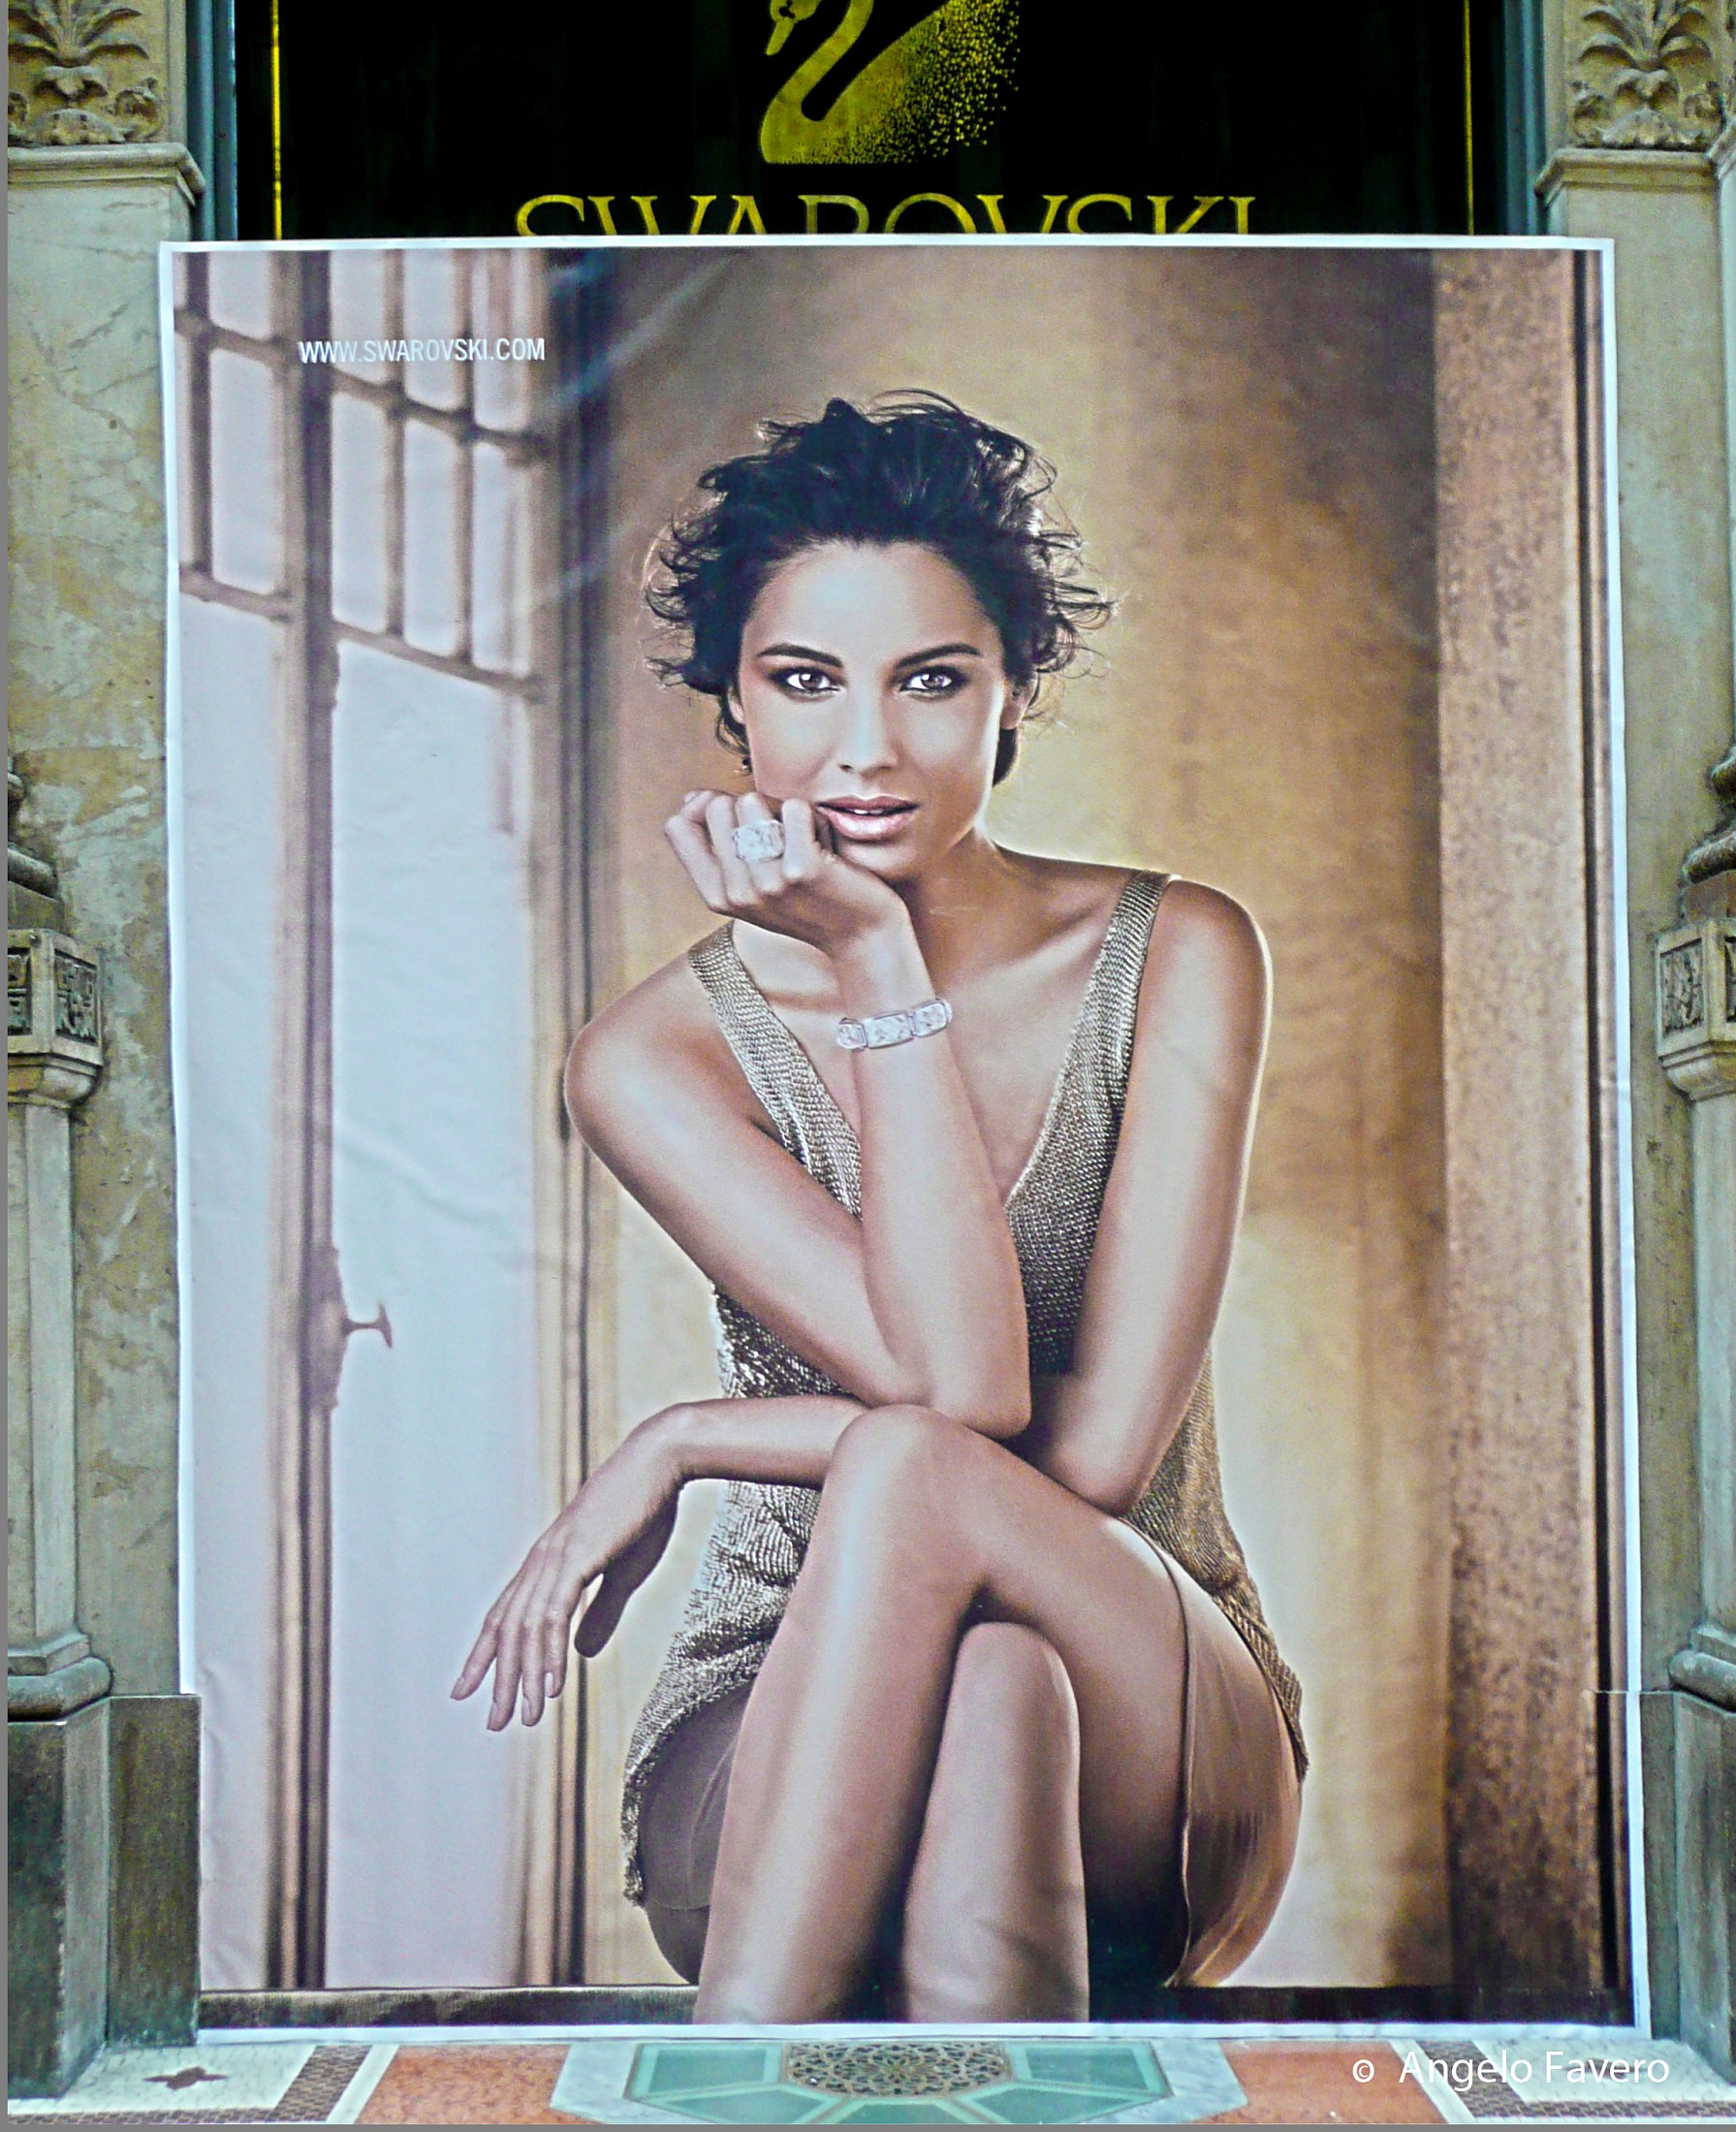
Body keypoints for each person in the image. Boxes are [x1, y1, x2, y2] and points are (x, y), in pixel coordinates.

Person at [455, 393, 1305, 2022]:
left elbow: (1071, 1453)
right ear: (730, 706)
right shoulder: (651, 1057)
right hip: (775, 1714)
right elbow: (961, 1394)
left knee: (959, 1532)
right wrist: (872, 963)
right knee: (987, 1683)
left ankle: (727, 2086)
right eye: (801, 681)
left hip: (1157, 1712)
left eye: (932, 680)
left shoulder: (1181, 953)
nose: (865, 751)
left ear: (1011, 699)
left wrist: (689, 1438)